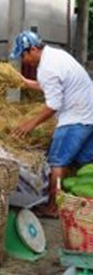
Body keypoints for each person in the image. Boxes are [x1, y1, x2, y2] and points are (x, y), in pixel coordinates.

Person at [10, 30, 93, 217]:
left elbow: (53, 105)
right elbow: (50, 85)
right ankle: (85, 206)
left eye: (23, 55)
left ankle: (53, 208)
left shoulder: (47, 67)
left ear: (32, 50)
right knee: (86, 163)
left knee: (57, 162)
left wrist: (29, 124)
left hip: (74, 119)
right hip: (89, 117)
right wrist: (25, 83)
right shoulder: (56, 56)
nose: (23, 60)